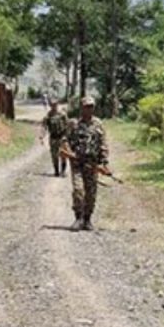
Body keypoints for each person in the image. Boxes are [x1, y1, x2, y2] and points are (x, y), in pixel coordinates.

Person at [61, 96, 108, 231]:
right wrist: (69, 153)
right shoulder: (73, 124)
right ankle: (78, 218)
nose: (89, 109)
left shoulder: (98, 124)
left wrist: (104, 162)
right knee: (78, 190)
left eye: (91, 106)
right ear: (81, 107)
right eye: (86, 106)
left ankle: (87, 219)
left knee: (91, 193)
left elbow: (103, 143)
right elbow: (65, 141)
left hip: (92, 164)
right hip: (77, 164)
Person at [42, 100, 70, 177]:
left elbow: (67, 125)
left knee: (64, 154)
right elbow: (44, 127)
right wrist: (42, 136)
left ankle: (63, 171)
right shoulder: (48, 116)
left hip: (62, 137)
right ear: (50, 105)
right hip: (53, 138)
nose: (54, 106)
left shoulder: (62, 115)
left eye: (55, 104)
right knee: (54, 155)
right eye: (52, 105)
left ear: (57, 105)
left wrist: (67, 136)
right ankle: (56, 171)